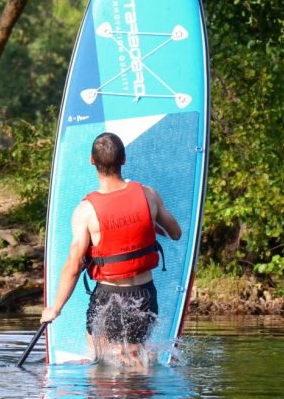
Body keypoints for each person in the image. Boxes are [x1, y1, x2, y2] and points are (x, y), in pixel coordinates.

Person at [40, 132, 181, 362]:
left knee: (102, 361)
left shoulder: (86, 211)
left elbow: (74, 265)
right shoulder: (148, 195)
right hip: (145, 294)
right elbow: (175, 233)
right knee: (137, 359)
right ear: (124, 160)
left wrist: (55, 308)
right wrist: (148, 224)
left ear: (92, 161)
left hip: (110, 297)